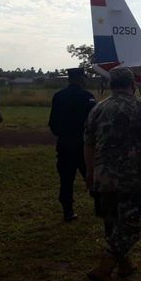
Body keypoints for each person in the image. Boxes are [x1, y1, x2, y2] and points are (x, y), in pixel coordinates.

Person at [83, 67, 141, 281]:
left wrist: (90, 172)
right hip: (133, 179)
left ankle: (125, 265)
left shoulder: (97, 109)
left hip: (103, 178)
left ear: (111, 85)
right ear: (133, 85)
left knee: (112, 222)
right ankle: (104, 269)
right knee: (133, 223)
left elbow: (88, 144)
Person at [48, 68, 96, 222]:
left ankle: (68, 211)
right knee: (91, 176)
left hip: (64, 144)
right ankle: (99, 205)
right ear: (81, 79)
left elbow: (53, 124)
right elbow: (93, 123)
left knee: (66, 180)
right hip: (84, 145)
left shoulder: (58, 96)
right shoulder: (88, 97)